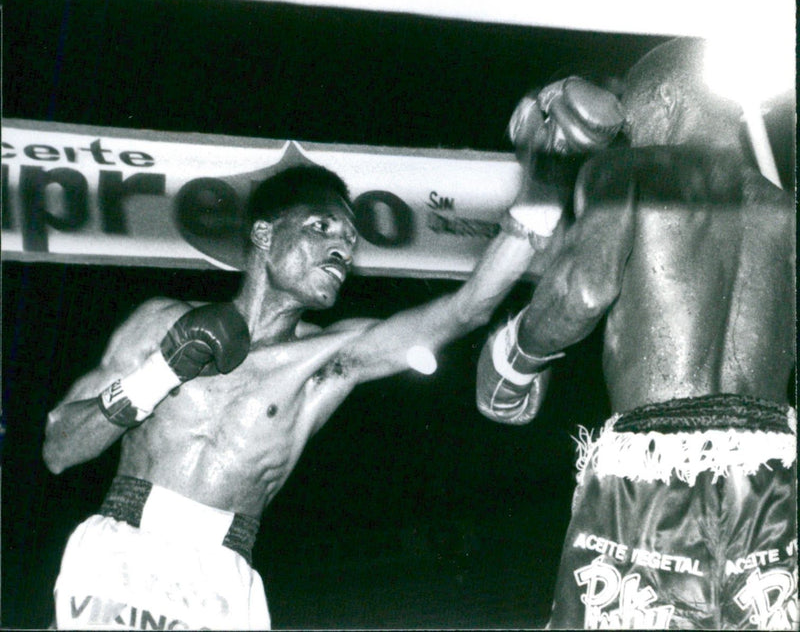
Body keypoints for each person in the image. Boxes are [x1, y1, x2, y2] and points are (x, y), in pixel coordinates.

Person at [42, 78, 624, 630]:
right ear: (265, 234)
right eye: (322, 228)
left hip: (217, 575)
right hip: (122, 546)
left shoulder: (329, 359)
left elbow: (466, 308)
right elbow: (59, 449)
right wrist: (159, 373)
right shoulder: (160, 322)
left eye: (348, 246)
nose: (339, 251)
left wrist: (543, 187)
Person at [476, 37, 797, 629]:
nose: (628, 132)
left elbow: (581, 292)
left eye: (636, 117)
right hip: (774, 479)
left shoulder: (628, 171)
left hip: (654, 472)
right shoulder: (784, 209)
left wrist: (515, 358)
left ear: (667, 99)